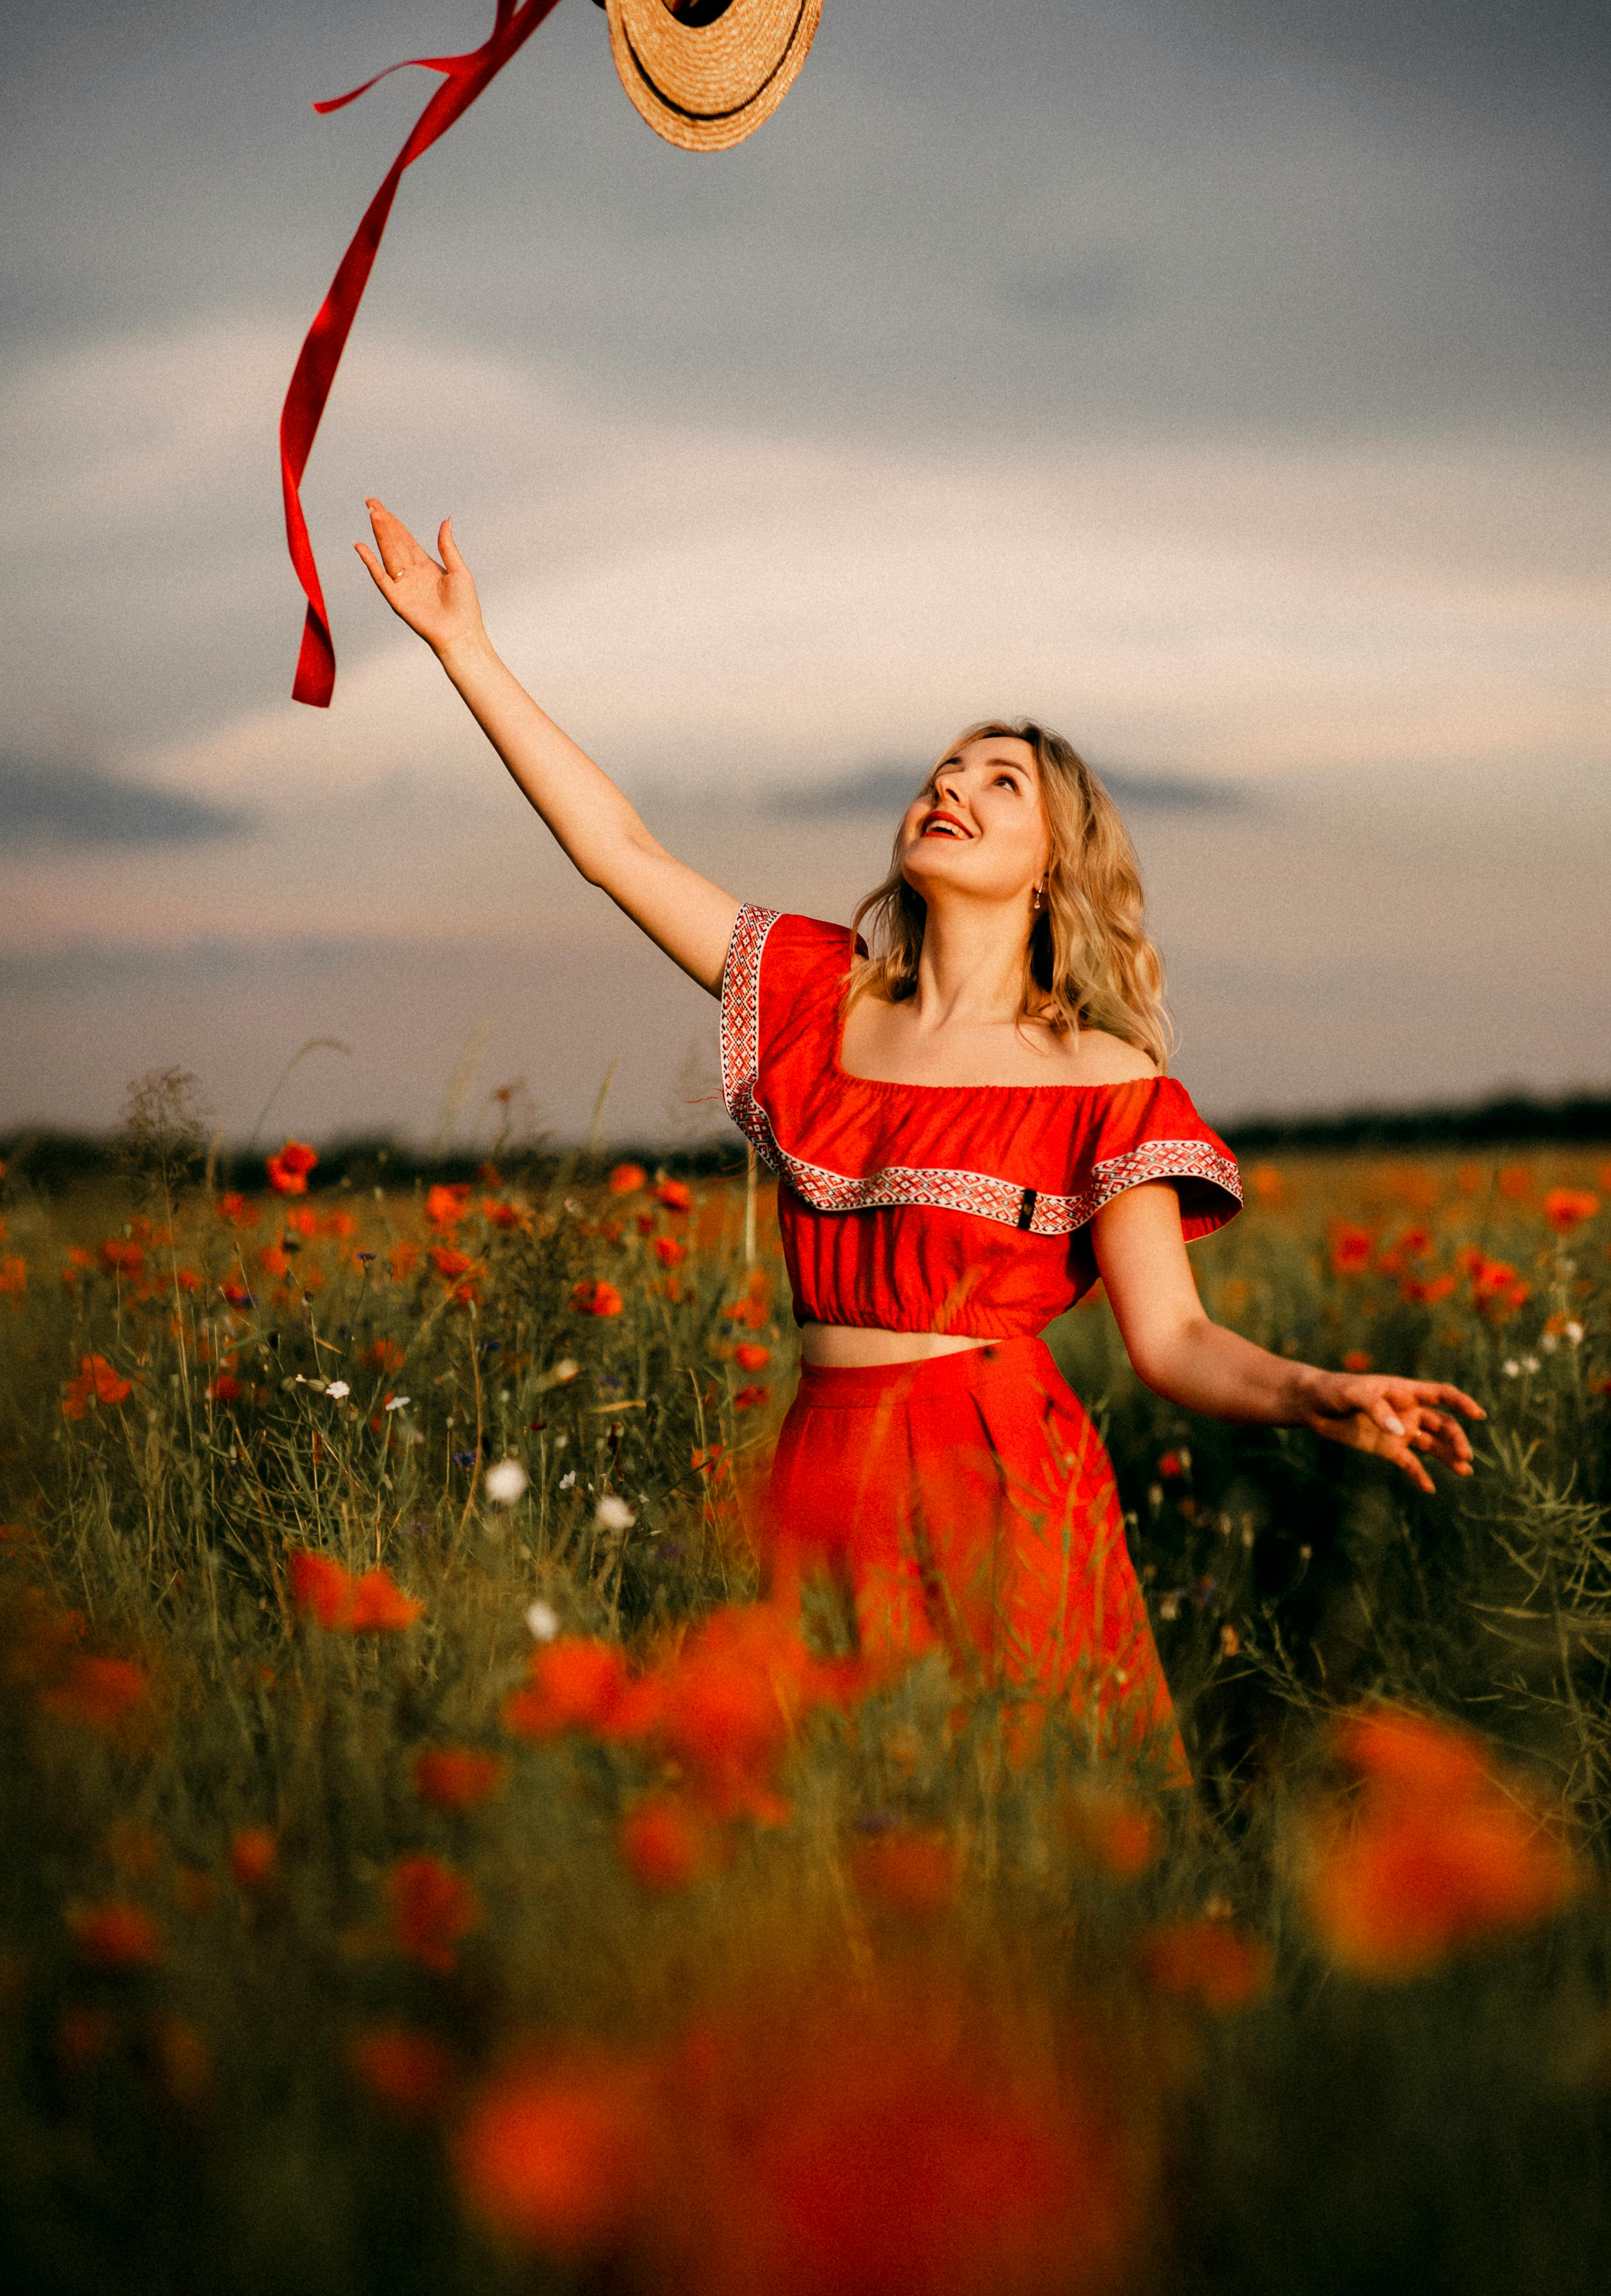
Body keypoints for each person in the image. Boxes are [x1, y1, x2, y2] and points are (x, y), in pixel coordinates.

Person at [355, 501, 1484, 1765]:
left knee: (1017, 1836)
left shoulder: (1104, 1076)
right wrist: (464, 649)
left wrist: (1319, 1388)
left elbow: (1173, 1340)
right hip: (824, 1460)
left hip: (997, 1471)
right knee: (834, 1844)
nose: (953, 784)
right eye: (947, 769)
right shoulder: (810, 998)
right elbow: (614, 850)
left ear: (1056, 868)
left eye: (1003, 782)